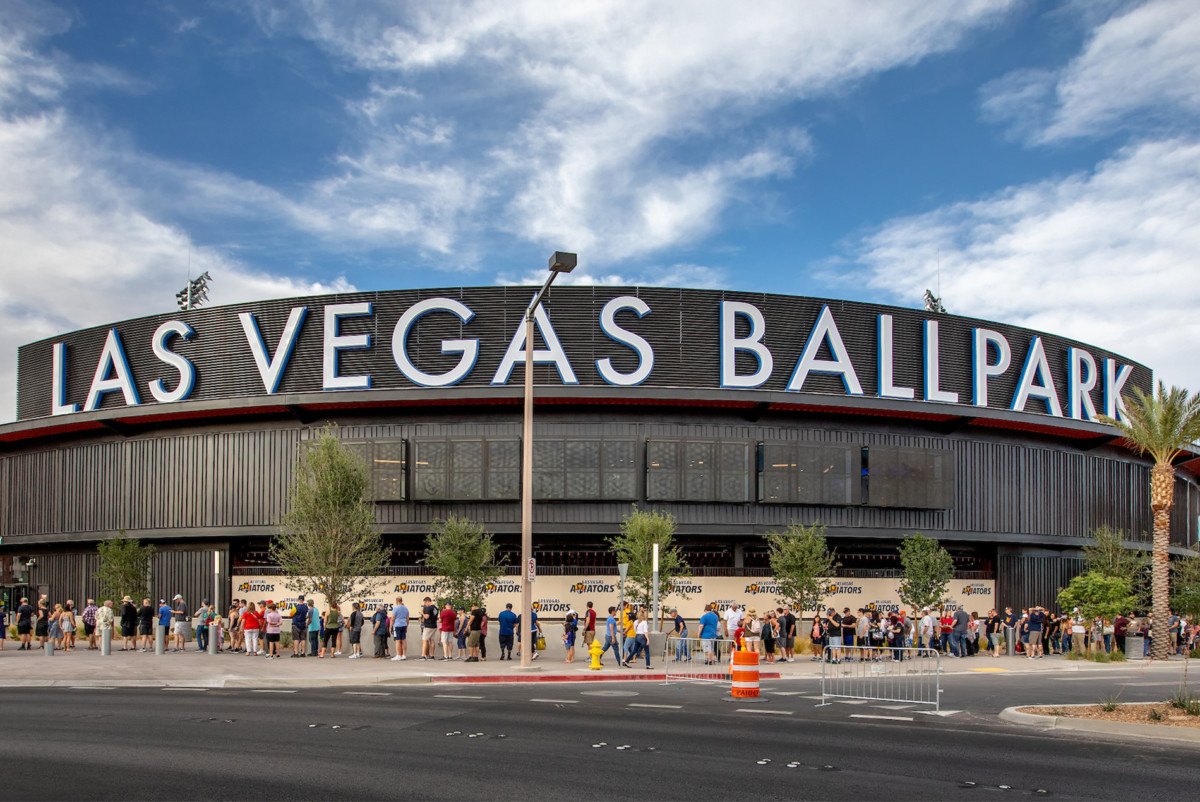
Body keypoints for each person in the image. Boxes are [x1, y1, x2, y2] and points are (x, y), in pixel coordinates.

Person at [390, 597, 410, 661]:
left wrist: (390, 627)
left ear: (396, 601)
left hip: (397, 625)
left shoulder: (395, 608)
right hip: (404, 625)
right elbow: (407, 618)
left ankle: (398, 655)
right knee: (403, 640)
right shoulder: (406, 608)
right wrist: (406, 626)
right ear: (402, 601)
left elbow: (392, 618)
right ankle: (404, 655)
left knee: (397, 640)